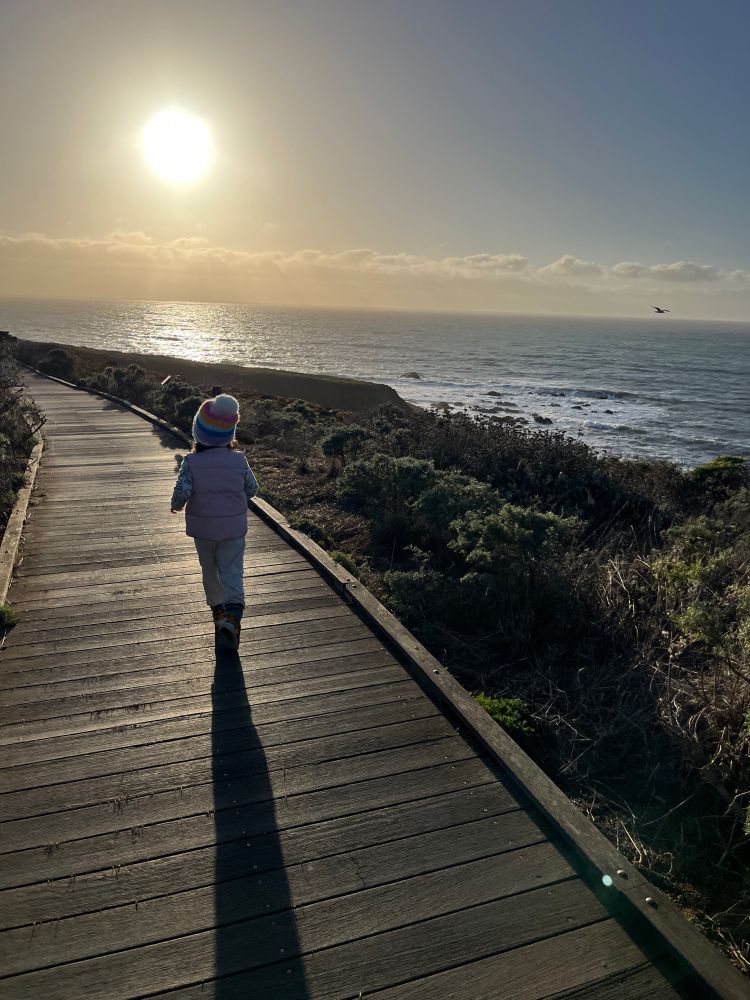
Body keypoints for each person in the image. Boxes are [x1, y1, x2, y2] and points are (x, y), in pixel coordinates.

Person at [170, 393, 259, 650]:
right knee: (232, 573)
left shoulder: (191, 463)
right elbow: (253, 489)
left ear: (198, 434)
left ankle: (218, 617)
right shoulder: (239, 460)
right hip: (232, 531)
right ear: (230, 435)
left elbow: (182, 491)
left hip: (204, 531)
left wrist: (175, 505)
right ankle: (232, 621)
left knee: (210, 573)